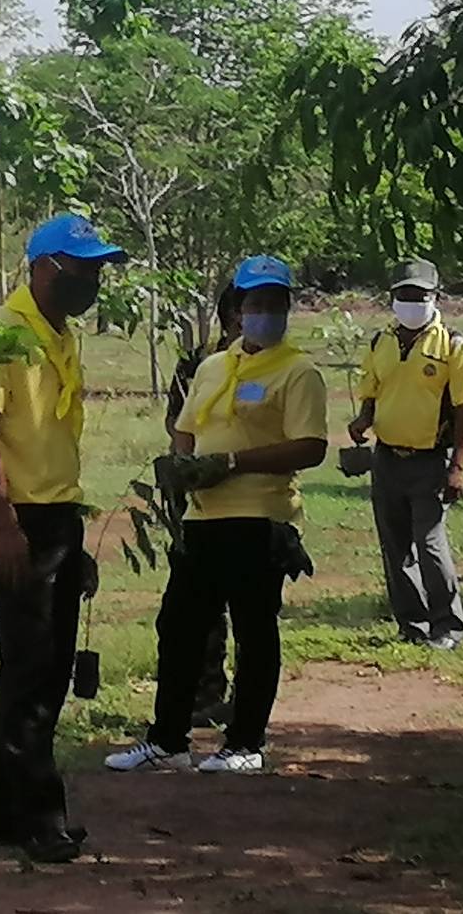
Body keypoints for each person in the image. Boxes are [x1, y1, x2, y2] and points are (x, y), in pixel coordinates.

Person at [107, 255, 327, 776]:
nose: (265, 313)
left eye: (276, 304)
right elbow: (186, 428)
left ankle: (245, 742)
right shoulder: (212, 366)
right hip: (203, 518)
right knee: (179, 626)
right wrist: (183, 466)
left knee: (254, 629)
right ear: (237, 310)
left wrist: (232, 462)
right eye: (256, 303)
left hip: (261, 517)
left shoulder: (298, 371)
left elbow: (310, 446)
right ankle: (168, 740)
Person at [0, 212, 126, 863]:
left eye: (95, 270)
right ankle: (37, 815)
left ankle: (6, 810)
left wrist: (72, 540)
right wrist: (5, 525)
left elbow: (52, 440)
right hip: (19, 521)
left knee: (47, 669)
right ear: (40, 267)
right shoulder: (1, 332)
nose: (90, 280)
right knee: (31, 671)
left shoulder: (60, 335)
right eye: (79, 268)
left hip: (57, 518)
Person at [349, 258, 463, 650]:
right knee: (395, 547)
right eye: (404, 294)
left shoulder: (455, 347)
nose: (411, 302)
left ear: (435, 297)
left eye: (419, 295)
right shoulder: (381, 342)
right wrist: (362, 421)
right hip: (387, 458)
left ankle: (448, 626)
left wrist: (458, 466)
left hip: (431, 460)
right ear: (393, 298)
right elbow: (373, 391)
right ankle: (412, 625)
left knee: (430, 543)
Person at [163, 284, 243, 728]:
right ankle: (205, 691)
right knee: (197, 603)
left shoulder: (279, 365)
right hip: (195, 496)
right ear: (228, 316)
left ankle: (247, 702)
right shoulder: (196, 363)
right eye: (243, 311)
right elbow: (175, 421)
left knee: (248, 606)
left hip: (253, 500)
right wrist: (192, 465)